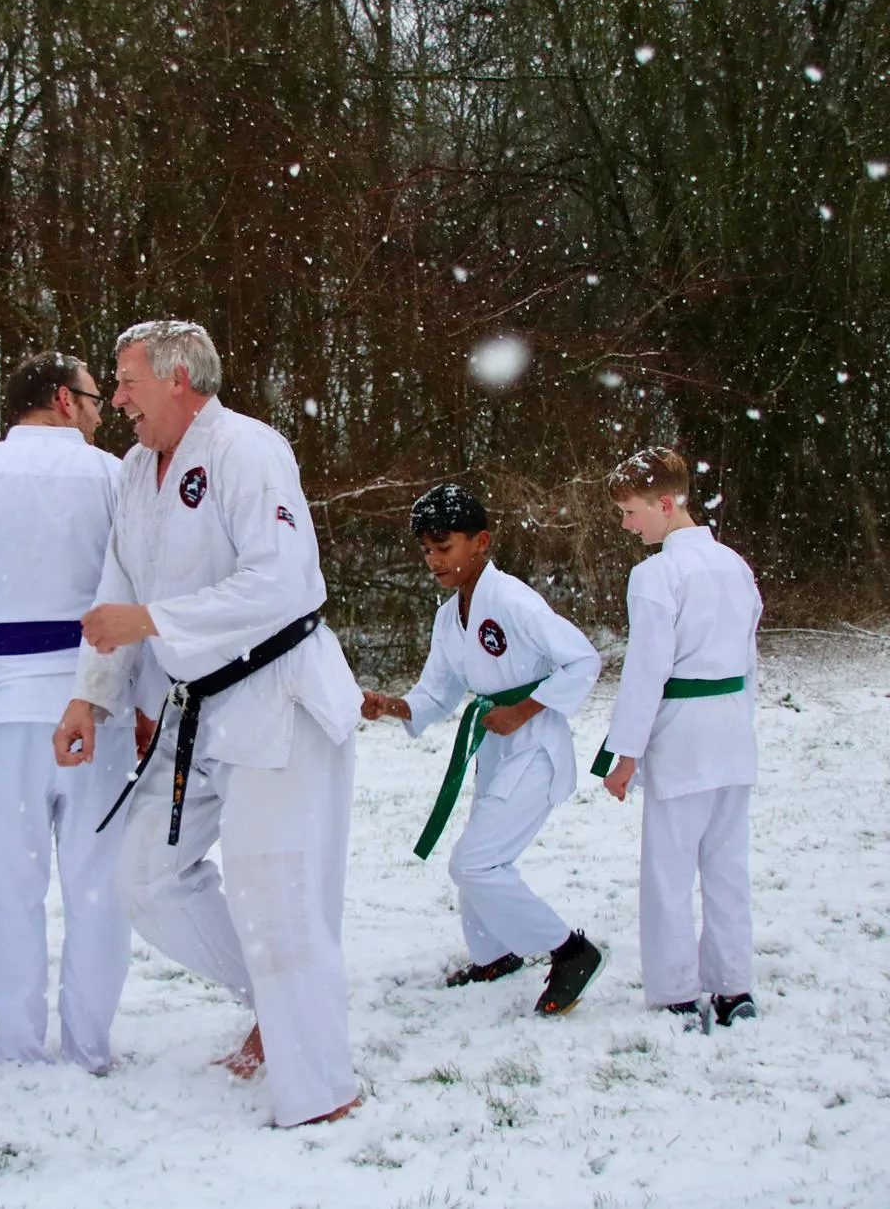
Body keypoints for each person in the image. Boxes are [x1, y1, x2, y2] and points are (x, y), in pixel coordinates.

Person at [52, 320, 362, 1128]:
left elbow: (285, 581)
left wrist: (151, 621)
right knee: (146, 878)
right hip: (204, 705)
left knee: (278, 895)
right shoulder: (133, 469)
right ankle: (277, 1002)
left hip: (277, 694)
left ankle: (321, 1090)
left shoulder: (247, 450)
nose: (115, 400)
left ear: (179, 377)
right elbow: (116, 585)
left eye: (126, 382)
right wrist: (92, 693)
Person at [0, 352, 136, 1074]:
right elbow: (143, 592)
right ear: (65, 402)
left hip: (3, 704)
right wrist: (149, 698)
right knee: (98, 879)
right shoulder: (115, 480)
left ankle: (19, 1045)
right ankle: (89, 1045)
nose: (105, 413)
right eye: (97, 399)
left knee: (7, 883)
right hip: (95, 698)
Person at [362, 485, 606, 1016]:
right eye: (426, 550)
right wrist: (394, 707)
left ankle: (570, 950)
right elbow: (437, 691)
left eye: (443, 548)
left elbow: (583, 660)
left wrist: (522, 711)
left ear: (481, 543)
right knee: (480, 855)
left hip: (535, 749)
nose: (433, 561)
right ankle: (495, 954)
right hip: (495, 750)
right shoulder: (450, 617)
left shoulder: (513, 601)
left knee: (474, 863)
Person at [595, 447, 761, 1027]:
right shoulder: (734, 565)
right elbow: (749, 660)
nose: (626, 524)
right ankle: (733, 988)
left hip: (683, 737)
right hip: (733, 735)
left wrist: (626, 754)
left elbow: (646, 671)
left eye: (631, 511)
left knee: (669, 869)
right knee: (725, 865)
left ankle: (675, 994)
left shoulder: (657, 574)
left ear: (666, 504)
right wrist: (745, 724)